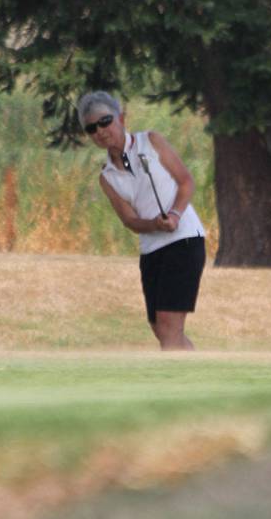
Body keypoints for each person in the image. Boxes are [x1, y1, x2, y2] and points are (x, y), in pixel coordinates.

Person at [78, 90, 205, 351]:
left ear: (121, 118)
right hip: (152, 249)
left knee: (169, 325)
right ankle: (198, 378)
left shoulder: (151, 141)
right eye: (92, 128)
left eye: (105, 121)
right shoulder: (107, 177)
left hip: (184, 240)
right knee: (161, 329)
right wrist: (155, 225)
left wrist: (174, 215)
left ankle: (172, 387)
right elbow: (130, 220)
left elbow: (186, 181)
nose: (100, 131)